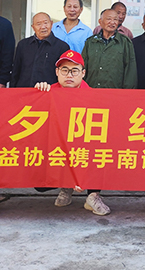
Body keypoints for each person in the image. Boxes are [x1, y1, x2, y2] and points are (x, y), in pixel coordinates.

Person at [34, 50, 111, 215]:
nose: (69, 75)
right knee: (39, 183)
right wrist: (37, 93)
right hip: (58, 149)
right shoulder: (47, 92)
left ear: (83, 73)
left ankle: (93, 195)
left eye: (74, 70)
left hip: (83, 151)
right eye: (64, 70)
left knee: (100, 152)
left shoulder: (94, 97)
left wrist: (81, 176)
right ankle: (66, 185)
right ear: (57, 72)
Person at [10, 12, 69, 88]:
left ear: (51, 24)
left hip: (49, 91)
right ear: (33, 27)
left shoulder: (62, 47)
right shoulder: (23, 45)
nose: (43, 27)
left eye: (46, 23)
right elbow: (15, 71)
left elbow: (64, 74)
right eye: (38, 24)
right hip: (24, 90)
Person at [82, 9, 137, 89]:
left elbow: (130, 70)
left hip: (115, 91)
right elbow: (83, 67)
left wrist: (127, 92)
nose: (112, 22)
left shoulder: (125, 42)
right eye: (109, 19)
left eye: (115, 19)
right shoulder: (90, 42)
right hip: (92, 89)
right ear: (100, 22)